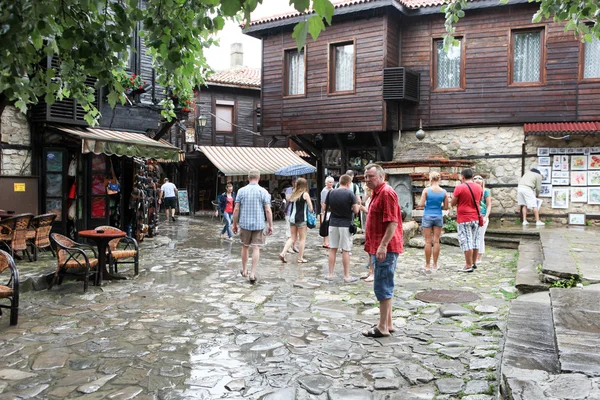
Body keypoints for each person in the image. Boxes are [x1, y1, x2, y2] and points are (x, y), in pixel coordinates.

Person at [362, 164, 403, 338]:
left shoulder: (386, 193)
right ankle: (388, 323)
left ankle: (382, 327)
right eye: (365, 176)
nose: (367, 179)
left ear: (381, 176)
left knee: (383, 285)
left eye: (370, 176)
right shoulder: (377, 193)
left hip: (385, 248)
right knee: (385, 283)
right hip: (378, 246)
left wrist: (383, 245)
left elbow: (392, 222)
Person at [232, 170, 273, 284]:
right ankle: (252, 273)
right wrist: (270, 225)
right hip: (259, 224)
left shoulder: (241, 191)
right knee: (256, 248)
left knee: (245, 246)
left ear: (248, 178)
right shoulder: (263, 191)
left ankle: (244, 270)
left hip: (244, 224)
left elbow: (236, 209)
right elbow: (268, 210)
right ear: (259, 178)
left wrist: (234, 224)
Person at [325, 174, 360, 282]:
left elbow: (325, 207)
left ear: (339, 182)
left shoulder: (331, 192)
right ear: (349, 183)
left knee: (333, 249)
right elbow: (356, 210)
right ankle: (346, 276)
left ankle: (330, 274)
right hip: (345, 224)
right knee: (345, 250)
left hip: (333, 222)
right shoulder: (350, 194)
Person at [451, 168, 483, 273]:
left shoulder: (459, 187)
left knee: (466, 241)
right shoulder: (479, 187)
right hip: (476, 217)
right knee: (475, 240)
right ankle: (474, 263)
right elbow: (479, 200)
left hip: (464, 217)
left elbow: (453, 203)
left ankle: (468, 265)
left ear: (463, 177)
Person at [418, 171, 448, 273]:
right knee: (436, 241)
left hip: (427, 215)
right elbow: (446, 206)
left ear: (430, 179)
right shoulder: (444, 192)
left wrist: (426, 204)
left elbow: (421, 204)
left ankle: (427, 265)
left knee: (427, 241)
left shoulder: (426, 190)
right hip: (438, 216)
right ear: (439, 179)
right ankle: (435, 264)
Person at [279, 178, 313, 263]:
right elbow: (311, 208)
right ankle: (300, 258)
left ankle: (283, 253)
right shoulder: (305, 194)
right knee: (302, 239)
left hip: (292, 219)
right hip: (301, 219)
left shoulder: (293, 193)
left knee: (292, 237)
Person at [474, 175, 492, 263]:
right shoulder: (471, 191)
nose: (477, 180)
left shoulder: (485, 192)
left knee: (480, 236)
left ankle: (479, 256)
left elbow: (489, 205)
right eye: (475, 179)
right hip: (473, 216)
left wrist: (486, 216)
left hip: (483, 215)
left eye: (480, 179)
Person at [359, 185, 374, 282]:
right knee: (369, 249)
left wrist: (364, 209)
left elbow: (372, 213)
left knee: (372, 249)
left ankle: (373, 272)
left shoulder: (374, 197)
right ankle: (370, 271)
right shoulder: (370, 197)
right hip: (368, 225)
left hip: (373, 224)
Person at [283, 178, 299, 253]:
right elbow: (288, 198)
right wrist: (295, 194)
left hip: (298, 213)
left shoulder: (300, 190)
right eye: (294, 182)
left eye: (296, 182)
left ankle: (294, 246)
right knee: (289, 230)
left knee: (297, 230)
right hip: (289, 212)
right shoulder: (289, 189)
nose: (295, 183)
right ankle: (288, 247)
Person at [320, 176, 335, 248]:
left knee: (330, 226)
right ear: (326, 183)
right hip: (326, 211)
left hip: (332, 210)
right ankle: (325, 242)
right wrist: (324, 212)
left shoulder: (333, 189)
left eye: (332, 182)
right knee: (326, 226)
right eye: (329, 182)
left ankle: (328, 241)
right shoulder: (324, 191)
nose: (331, 183)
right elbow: (322, 202)